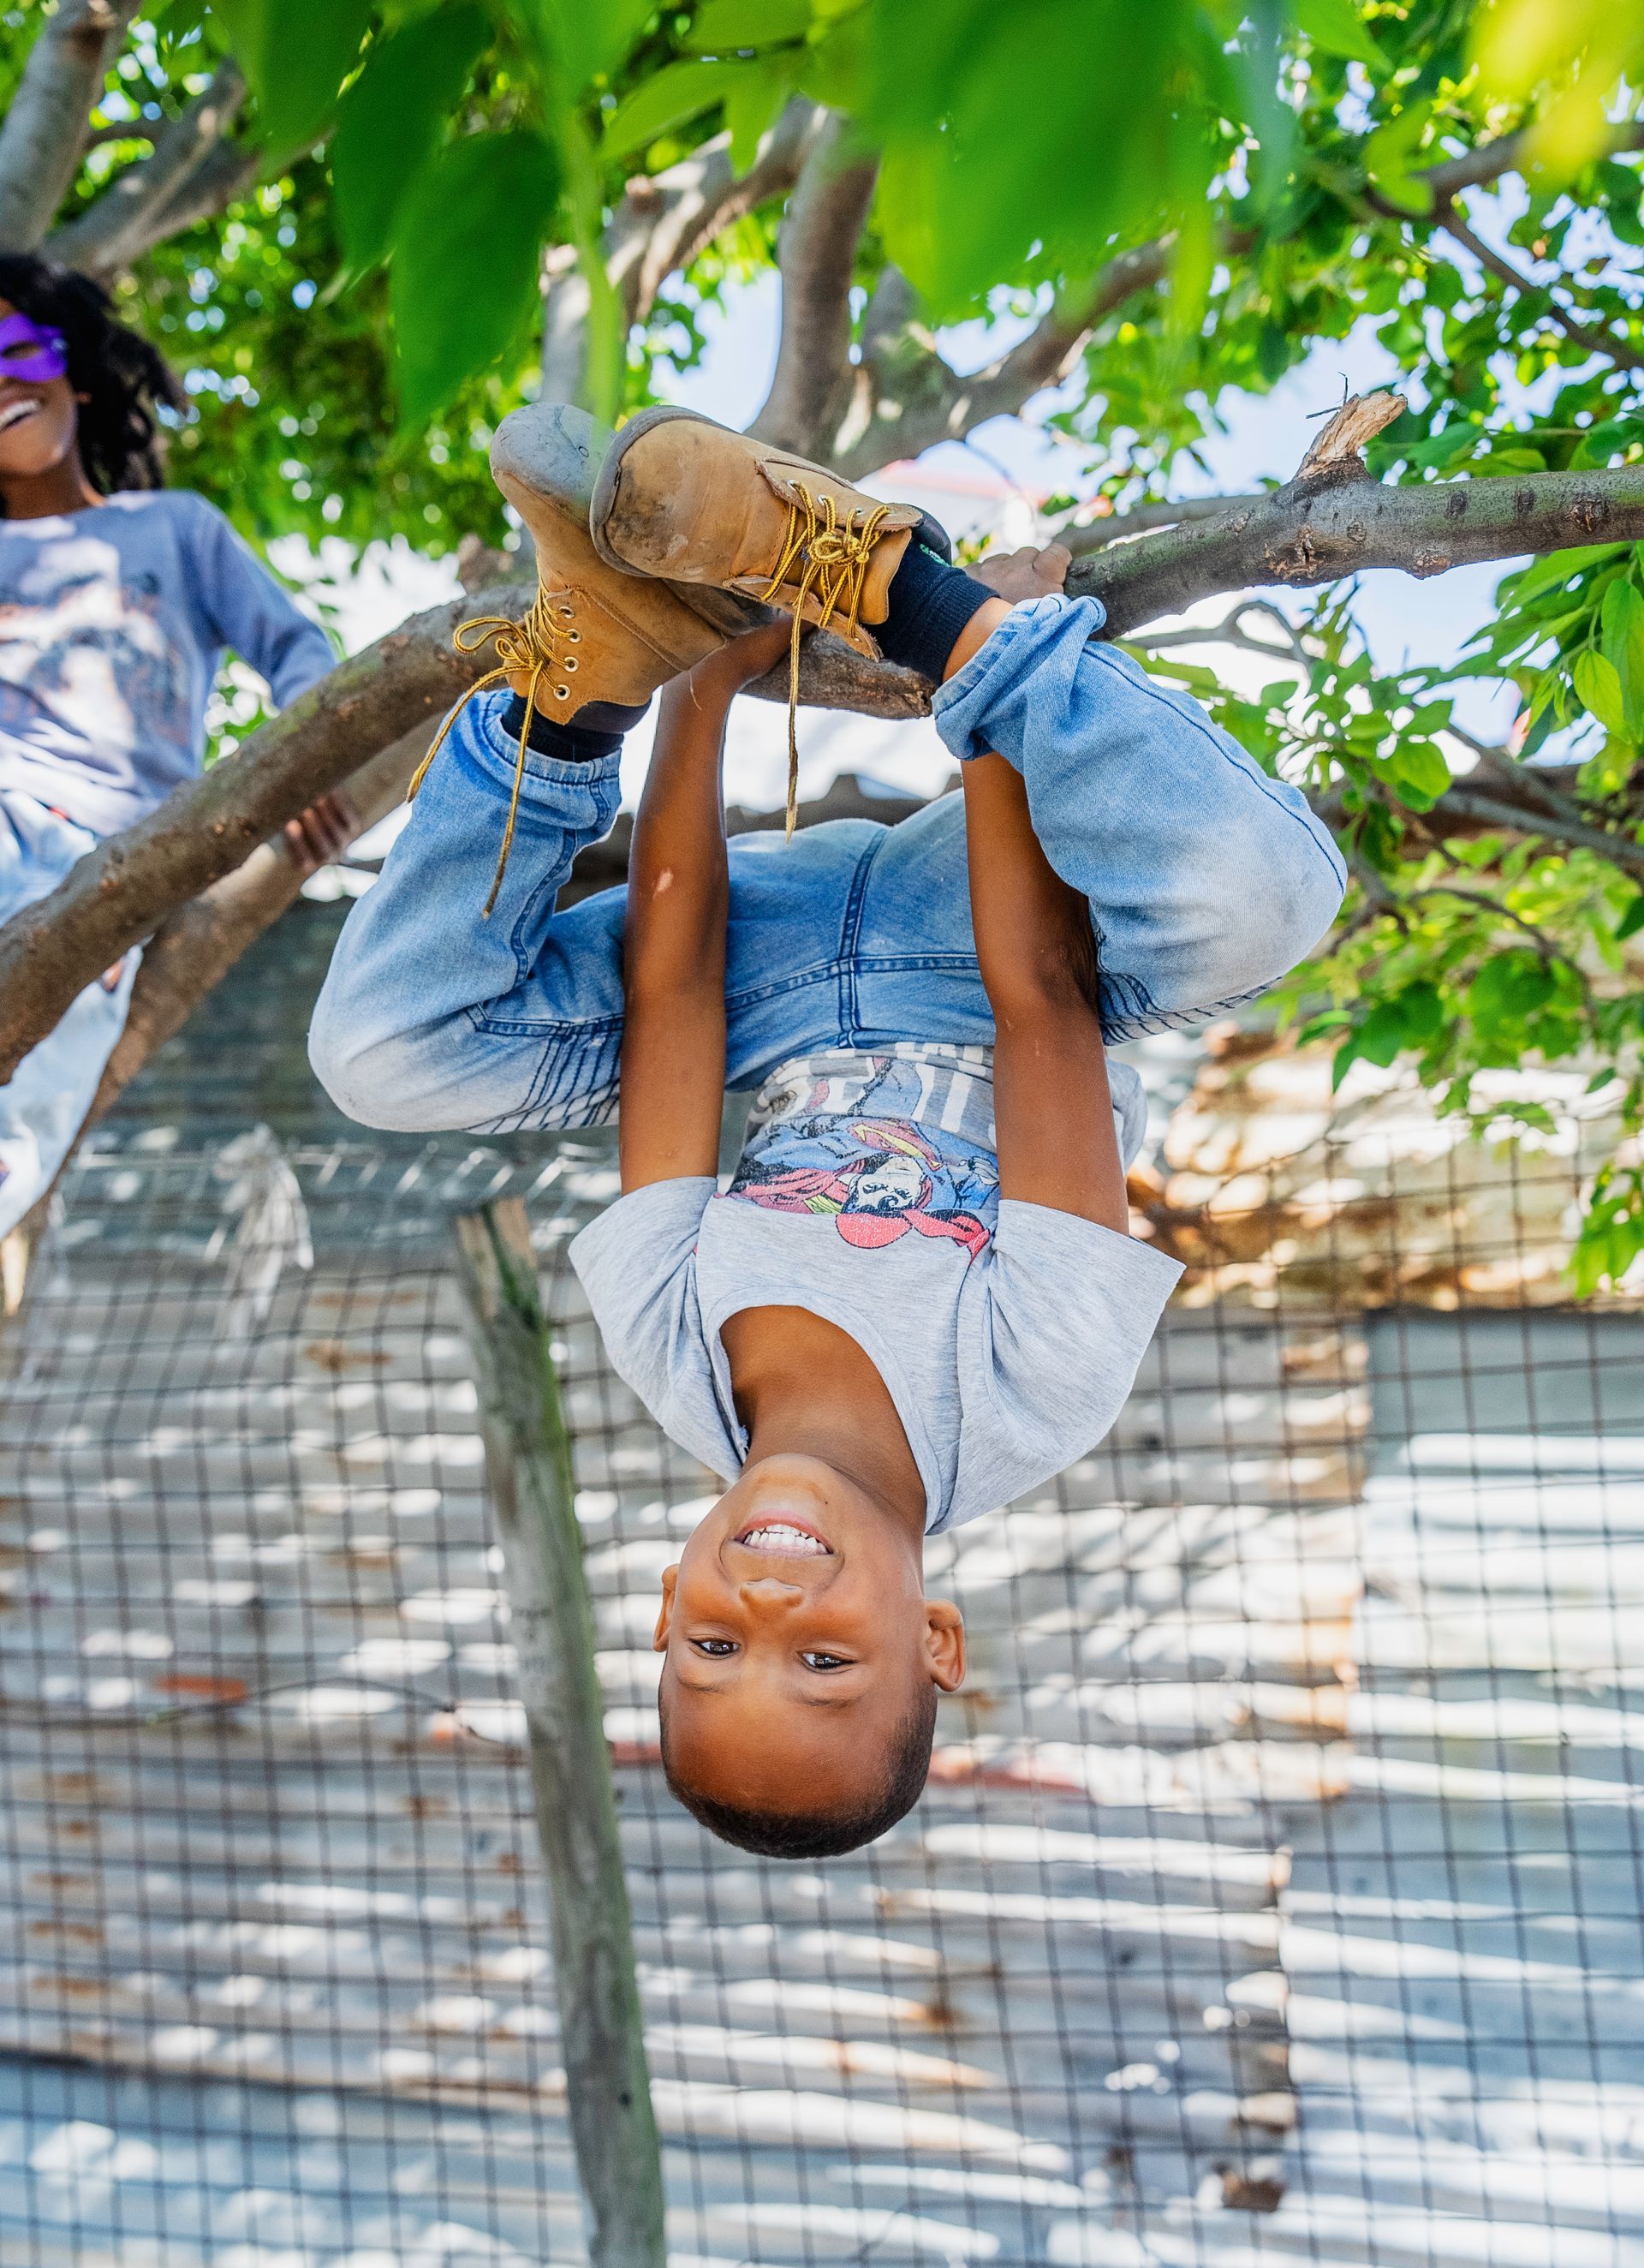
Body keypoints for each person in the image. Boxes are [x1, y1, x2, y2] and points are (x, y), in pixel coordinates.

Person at [310, 403, 1346, 1858]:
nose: (766, 1612)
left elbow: (674, 997)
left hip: (768, 979)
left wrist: (697, 697)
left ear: (664, 1610)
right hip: (991, 933)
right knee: (1272, 898)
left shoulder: (676, 1356)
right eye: (825, 1661)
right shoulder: (1035, 1390)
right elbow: (1041, 999)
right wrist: (964, 685)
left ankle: (583, 674)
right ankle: (897, 577)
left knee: (377, 1055)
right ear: (934, 1641)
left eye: (710, 1651)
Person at [0, 254, 347, 1250]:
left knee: (47, 1041)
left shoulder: (171, 530)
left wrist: (299, 766)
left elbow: (297, 650)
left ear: (73, 369)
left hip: (110, 853)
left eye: (18, 349)